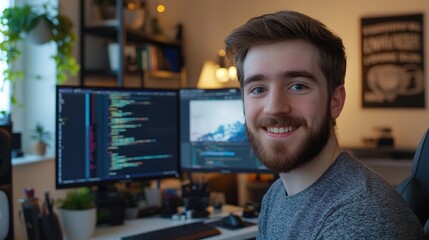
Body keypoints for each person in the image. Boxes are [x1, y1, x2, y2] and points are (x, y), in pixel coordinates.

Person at [225, 10, 424, 239]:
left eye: (297, 86)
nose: (274, 107)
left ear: (335, 102)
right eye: (258, 89)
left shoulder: (359, 218)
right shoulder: (276, 194)